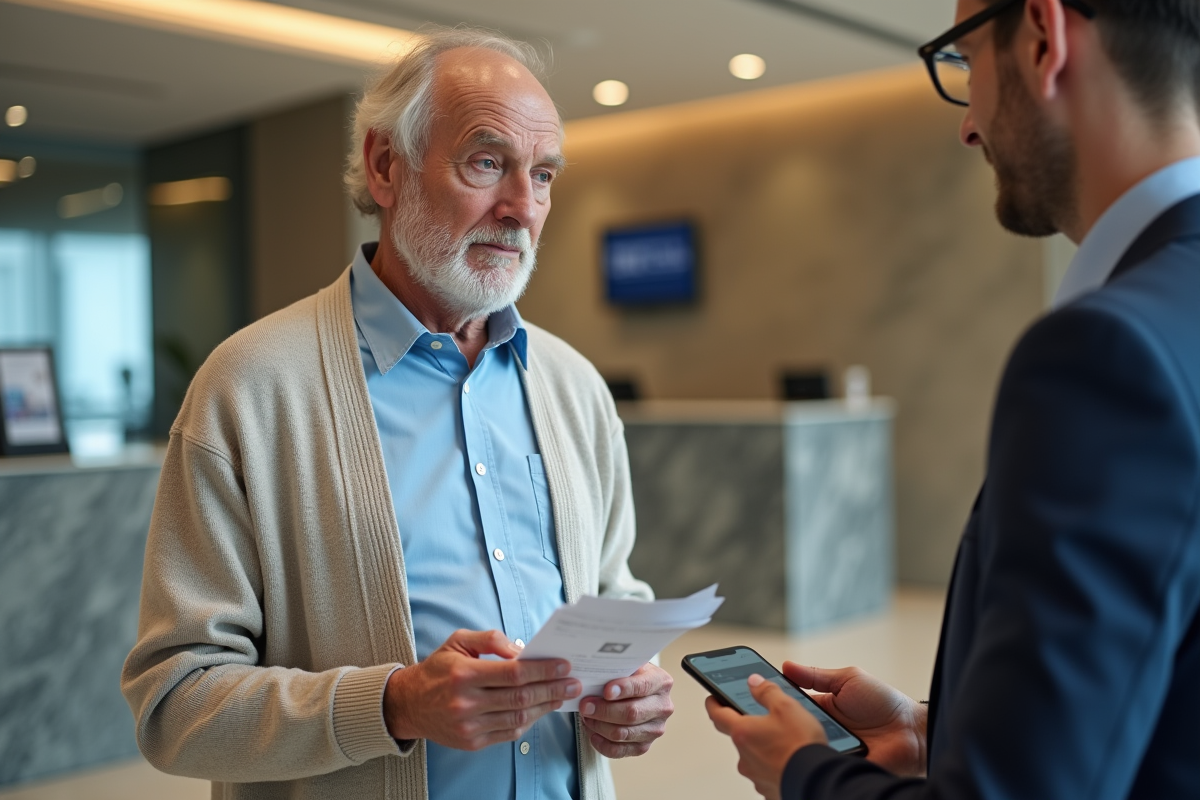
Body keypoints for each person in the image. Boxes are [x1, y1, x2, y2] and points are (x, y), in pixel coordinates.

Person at [121, 28, 674, 800]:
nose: (521, 208)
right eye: (488, 162)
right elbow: (175, 705)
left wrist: (630, 689)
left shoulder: (574, 387)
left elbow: (613, 594)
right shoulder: (249, 389)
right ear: (387, 166)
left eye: (542, 174)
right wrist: (393, 705)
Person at [706, 0, 1200, 798]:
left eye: (965, 64)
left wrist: (806, 772)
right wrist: (946, 735)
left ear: (1043, 38)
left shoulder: (1109, 353)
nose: (968, 125)